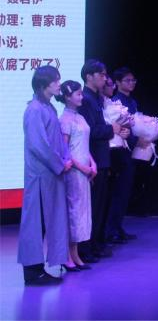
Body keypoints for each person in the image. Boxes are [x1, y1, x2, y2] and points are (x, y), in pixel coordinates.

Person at [17, 65, 71, 286]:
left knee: (45, 222)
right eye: (55, 81)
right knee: (35, 224)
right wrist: (60, 164)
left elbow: (54, 141)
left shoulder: (48, 107)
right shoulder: (35, 110)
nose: (59, 84)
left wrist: (64, 161)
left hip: (50, 175)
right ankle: (33, 272)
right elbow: (38, 145)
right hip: (40, 176)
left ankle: (39, 269)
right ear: (43, 84)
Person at [77, 59, 120, 262]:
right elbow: (91, 131)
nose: (105, 78)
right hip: (92, 159)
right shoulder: (86, 99)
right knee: (92, 207)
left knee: (100, 205)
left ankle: (95, 244)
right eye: (101, 74)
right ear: (89, 77)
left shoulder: (96, 98)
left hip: (102, 158)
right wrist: (113, 129)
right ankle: (86, 248)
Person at [56, 80, 96, 272]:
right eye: (78, 94)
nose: (81, 97)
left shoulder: (80, 117)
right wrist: (82, 167)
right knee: (73, 212)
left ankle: (76, 254)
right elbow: (65, 150)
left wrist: (92, 163)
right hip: (73, 171)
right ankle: (67, 256)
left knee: (81, 212)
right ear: (67, 97)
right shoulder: (64, 119)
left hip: (84, 169)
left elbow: (84, 144)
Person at [106, 67, 140, 242]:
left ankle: (117, 227)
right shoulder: (116, 102)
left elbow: (134, 126)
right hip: (119, 151)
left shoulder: (132, 101)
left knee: (124, 192)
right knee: (118, 192)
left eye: (133, 80)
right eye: (127, 80)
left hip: (130, 149)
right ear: (117, 82)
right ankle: (111, 230)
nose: (131, 83)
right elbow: (118, 128)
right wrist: (134, 139)